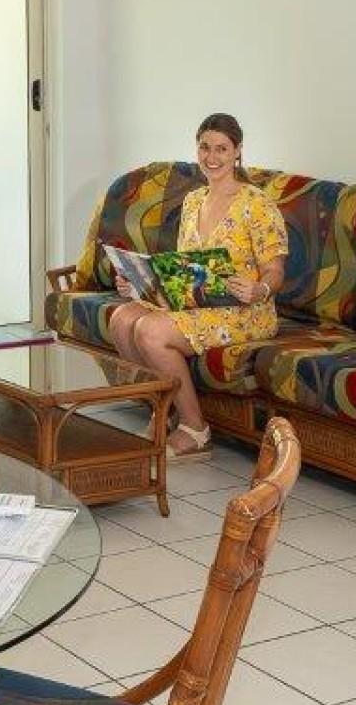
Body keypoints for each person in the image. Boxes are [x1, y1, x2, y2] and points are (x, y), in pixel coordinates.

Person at [103, 113, 288, 457]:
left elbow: (275, 271)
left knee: (150, 331)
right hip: (199, 302)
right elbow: (184, 271)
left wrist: (259, 289)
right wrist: (140, 287)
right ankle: (164, 413)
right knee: (121, 318)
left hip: (245, 310)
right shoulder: (193, 202)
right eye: (205, 147)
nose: (211, 157)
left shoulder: (257, 204)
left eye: (221, 148)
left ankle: (195, 429)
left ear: (237, 151)